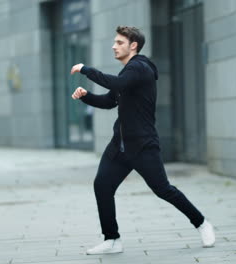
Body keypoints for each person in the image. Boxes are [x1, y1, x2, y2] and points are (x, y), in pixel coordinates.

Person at [70, 26, 215, 255]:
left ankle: (201, 223)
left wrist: (86, 70)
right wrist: (85, 97)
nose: (114, 46)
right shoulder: (127, 73)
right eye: (114, 42)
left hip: (143, 145)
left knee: (163, 189)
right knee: (102, 186)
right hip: (120, 145)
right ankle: (112, 240)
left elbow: (115, 86)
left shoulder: (140, 68)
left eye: (119, 42)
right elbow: (110, 101)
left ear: (133, 45)